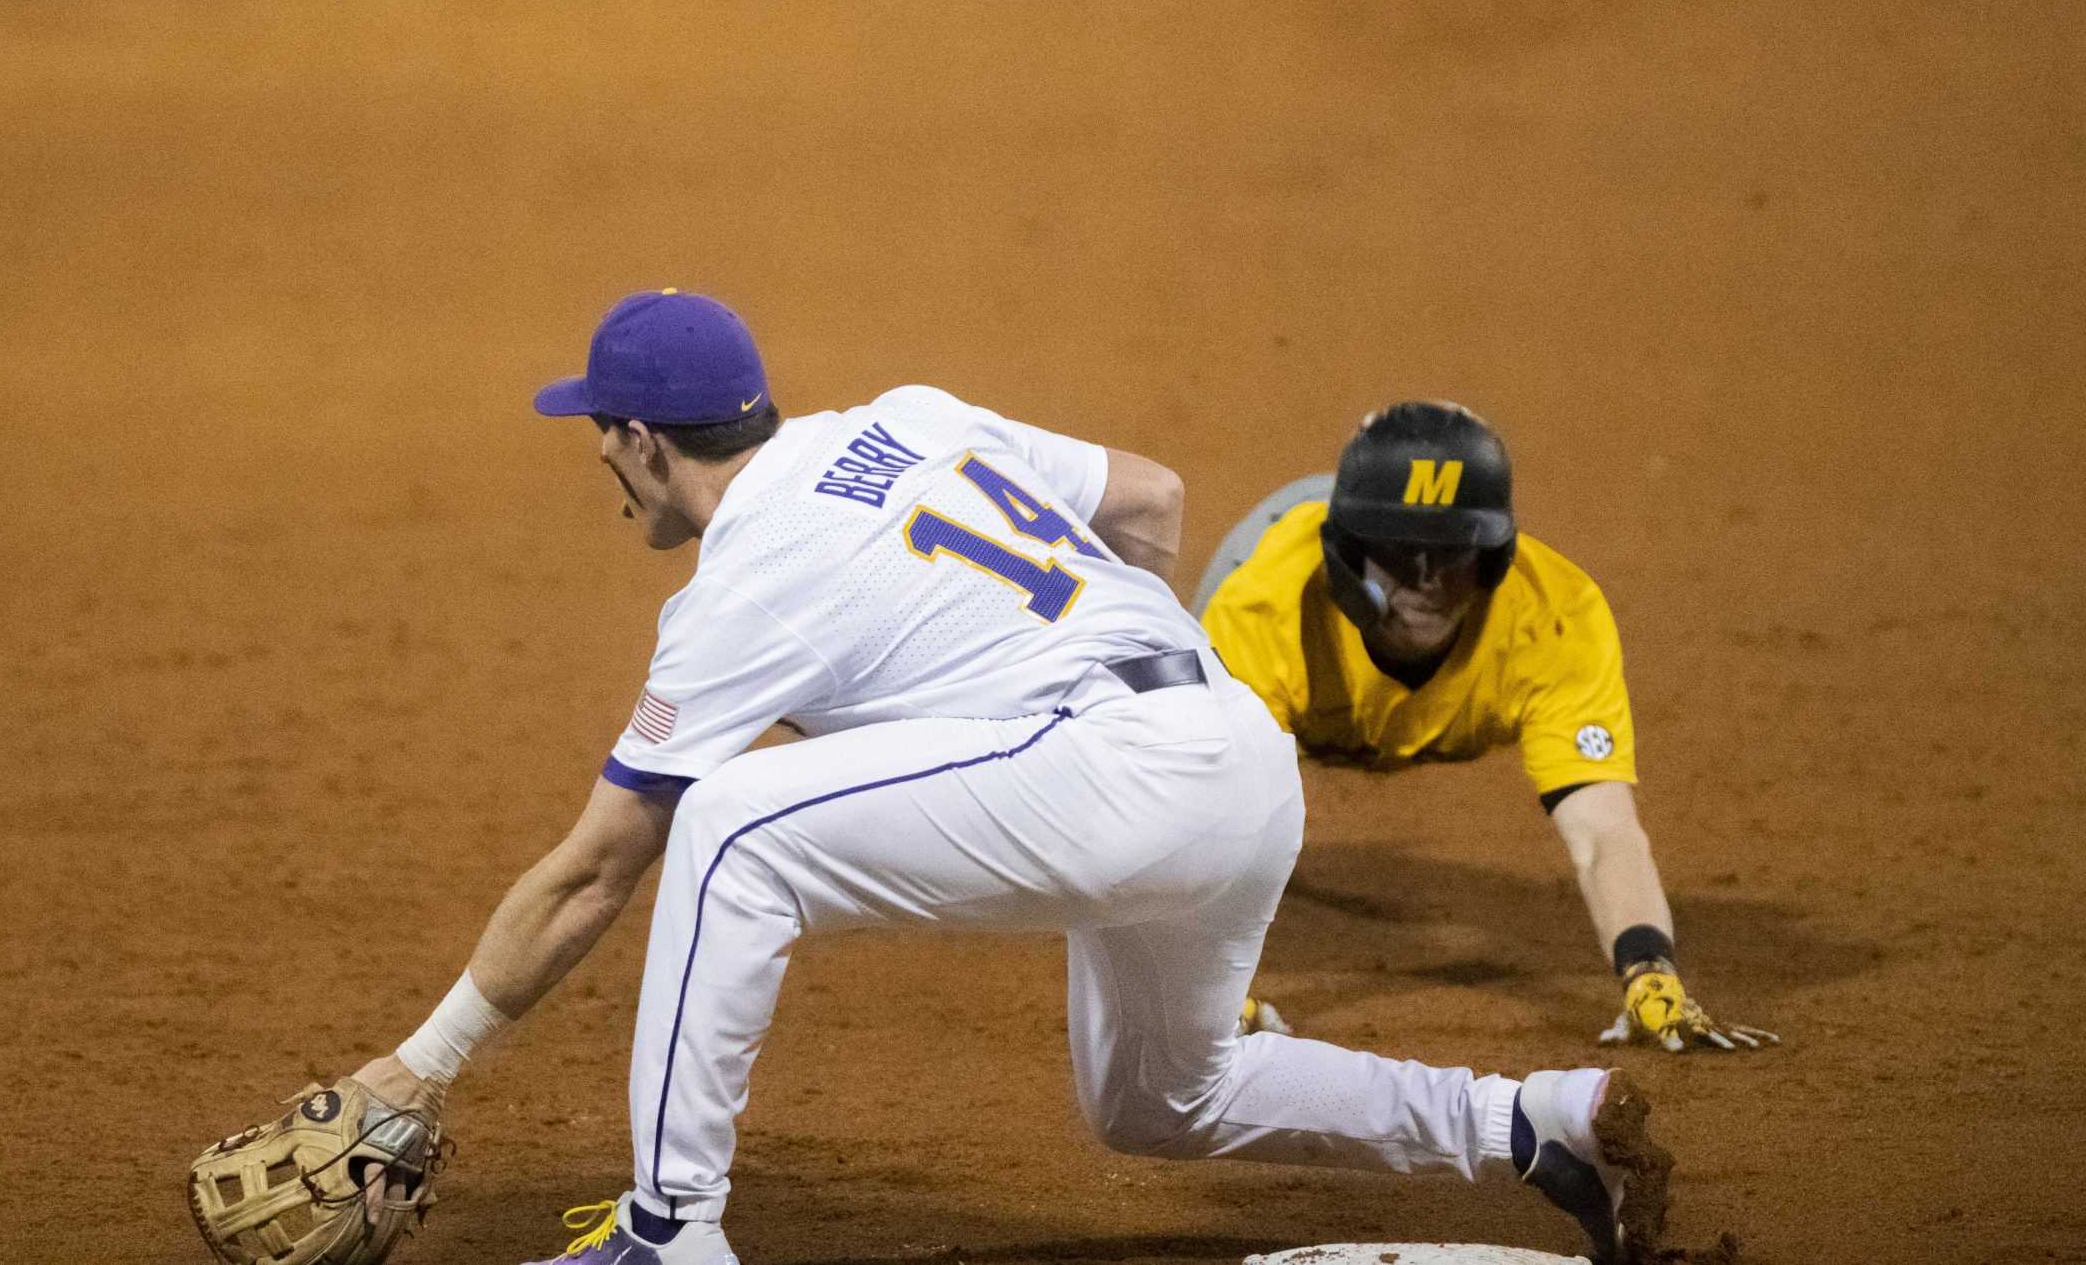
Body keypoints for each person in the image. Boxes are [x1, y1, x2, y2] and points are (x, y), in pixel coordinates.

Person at [350, 293, 1671, 1265]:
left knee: (733, 829)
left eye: (598, 432)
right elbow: (1150, 498)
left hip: (1115, 764)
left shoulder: (737, 584)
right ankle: (1531, 1117)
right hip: (1237, 754)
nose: (594, 457)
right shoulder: (908, 418)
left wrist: (422, 1064)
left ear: (644, 439)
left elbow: (595, 866)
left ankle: (667, 1232)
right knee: (1165, 1092)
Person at [1192, 401, 1776, 1055]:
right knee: (1192, 769)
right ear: (1350, 550)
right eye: (1397, 552)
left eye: (1450, 554)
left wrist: (1650, 972)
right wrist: (1207, 987)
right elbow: (1210, 822)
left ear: (1494, 555)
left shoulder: (1554, 617)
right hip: (1277, 550)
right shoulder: (1263, 606)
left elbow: (1604, 831)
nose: (1423, 580)